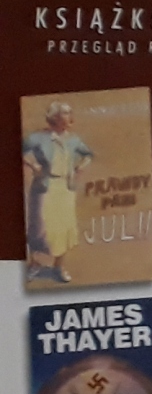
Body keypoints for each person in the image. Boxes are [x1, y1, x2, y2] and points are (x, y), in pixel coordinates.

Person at [22, 100, 93, 285]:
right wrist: (33, 165)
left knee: (64, 228)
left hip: (65, 188)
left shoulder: (73, 140)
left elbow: (88, 154)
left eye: (70, 113)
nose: (70, 117)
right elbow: (18, 151)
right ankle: (34, 264)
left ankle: (58, 267)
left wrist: (79, 168)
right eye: (66, 113)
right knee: (40, 228)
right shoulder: (38, 137)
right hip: (44, 188)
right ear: (55, 117)